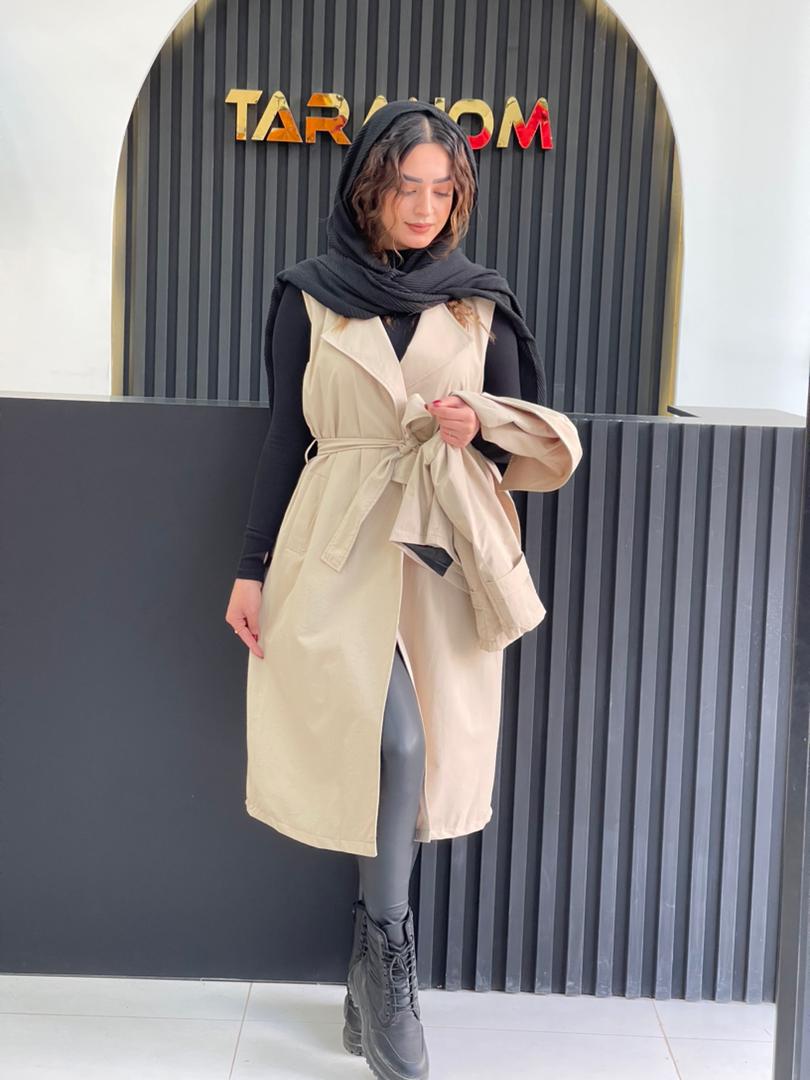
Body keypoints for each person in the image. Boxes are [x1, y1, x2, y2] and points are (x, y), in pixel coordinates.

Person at [224, 100, 555, 1080]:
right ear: (368, 188)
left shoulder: (480, 301)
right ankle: (389, 964)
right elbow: (285, 433)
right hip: (333, 544)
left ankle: (370, 977)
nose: (423, 206)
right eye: (405, 186)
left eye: (441, 190)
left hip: (436, 551)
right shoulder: (309, 294)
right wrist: (250, 567)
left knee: (418, 756)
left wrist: (475, 424)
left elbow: (515, 436)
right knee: (394, 741)